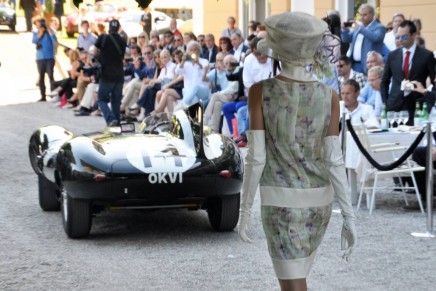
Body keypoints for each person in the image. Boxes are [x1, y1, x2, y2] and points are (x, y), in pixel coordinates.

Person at [238, 12, 356, 291]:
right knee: (295, 282)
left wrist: (244, 211)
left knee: (293, 286)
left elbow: (256, 158)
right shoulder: (330, 96)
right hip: (319, 202)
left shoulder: (260, 92)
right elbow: (333, 159)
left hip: (280, 203)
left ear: (278, 50)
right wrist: (349, 216)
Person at [381, 20, 435, 125]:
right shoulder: (393, 55)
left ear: (414, 35)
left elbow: (434, 81)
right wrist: (386, 103)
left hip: (416, 107)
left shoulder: (426, 55)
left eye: (404, 37)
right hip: (394, 107)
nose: (400, 40)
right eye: (398, 37)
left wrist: (428, 101)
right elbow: (385, 81)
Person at [95, 19, 127, 127]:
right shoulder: (123, 41)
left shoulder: (103, 37)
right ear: (119, 28)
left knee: (101, 99)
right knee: (116, 102)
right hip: (119, 75)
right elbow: (122, 56)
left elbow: (94, 51)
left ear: (109, 28)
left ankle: (110, 119)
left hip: (106, 75)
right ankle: (116, 125)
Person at [341, 4, 386, 73]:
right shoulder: (359, 27)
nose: (362, 17)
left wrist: (360, 29)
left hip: (370, 65)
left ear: (372, 15)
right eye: (360, 15)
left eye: (364, 15)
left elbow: (376, 38)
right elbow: (346, 39)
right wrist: (344, 29)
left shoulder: (379, 27)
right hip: (354, 65)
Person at [203, 53, 238, 133]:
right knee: (217, 104)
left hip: (235, 96)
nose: (228, 65)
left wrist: (220, 93)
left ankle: (205, 118)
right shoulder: (227, 71)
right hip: (226, 96)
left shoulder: (236, 71)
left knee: (215, 96)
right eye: (227, 63)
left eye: (230, 63)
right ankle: (214, 130)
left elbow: (233, 88)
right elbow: (204, 79)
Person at [32, 17, 58, 102]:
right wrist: (41, 32)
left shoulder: (50, 31)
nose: (37, 25)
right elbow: (34, 40)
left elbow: (54, 39)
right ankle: (43, 95)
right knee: (41, 77)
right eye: (36, 23)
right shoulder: (36, 32)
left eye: (39, 23)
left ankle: (53, 94)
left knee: (51, 76)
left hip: (49, 57)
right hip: (40, 57)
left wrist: (48, 28)